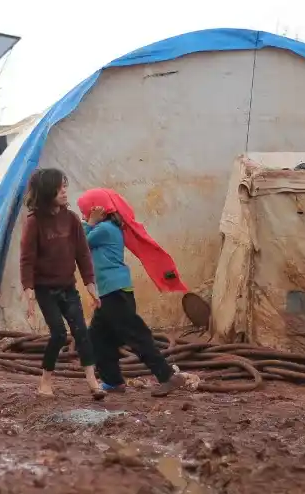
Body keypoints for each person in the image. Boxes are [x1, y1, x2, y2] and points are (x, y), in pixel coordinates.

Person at [83, 203, 187, 397]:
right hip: (109, 293)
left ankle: (168, 376)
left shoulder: (104, 229)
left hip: (115, 293)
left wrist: (89, 223)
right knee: (98, 337)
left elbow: (80, 243)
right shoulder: (108, 228)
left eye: (85, 210)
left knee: (136, 336)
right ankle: (113, 381)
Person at [19, 168, 102, 399]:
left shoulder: (72, 219)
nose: (65, 191)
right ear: (47, 192)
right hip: (46, 290)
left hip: (68, 287)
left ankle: (93, 382)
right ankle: (45, 382)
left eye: (65, 186)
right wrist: (29, 291)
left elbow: (83, 254)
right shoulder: (34, 223)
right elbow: (27, 259)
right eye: (60, 187)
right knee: (58, 334)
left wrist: (90, 285)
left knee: (82, 332)